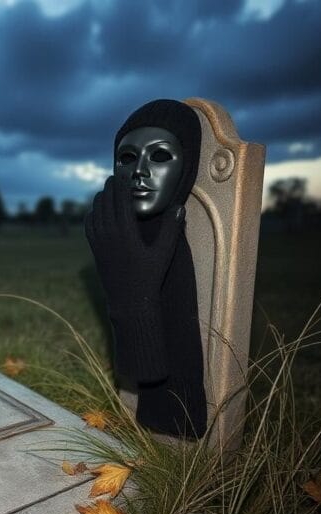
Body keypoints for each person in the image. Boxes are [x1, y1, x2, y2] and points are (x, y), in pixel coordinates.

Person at [85, 99, 207, 438]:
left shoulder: (174, 236)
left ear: (188, 164)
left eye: (160, 155)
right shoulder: (125, 239)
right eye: (127, 157)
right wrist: (130, 295)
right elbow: (142, 366)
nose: (139, 170)